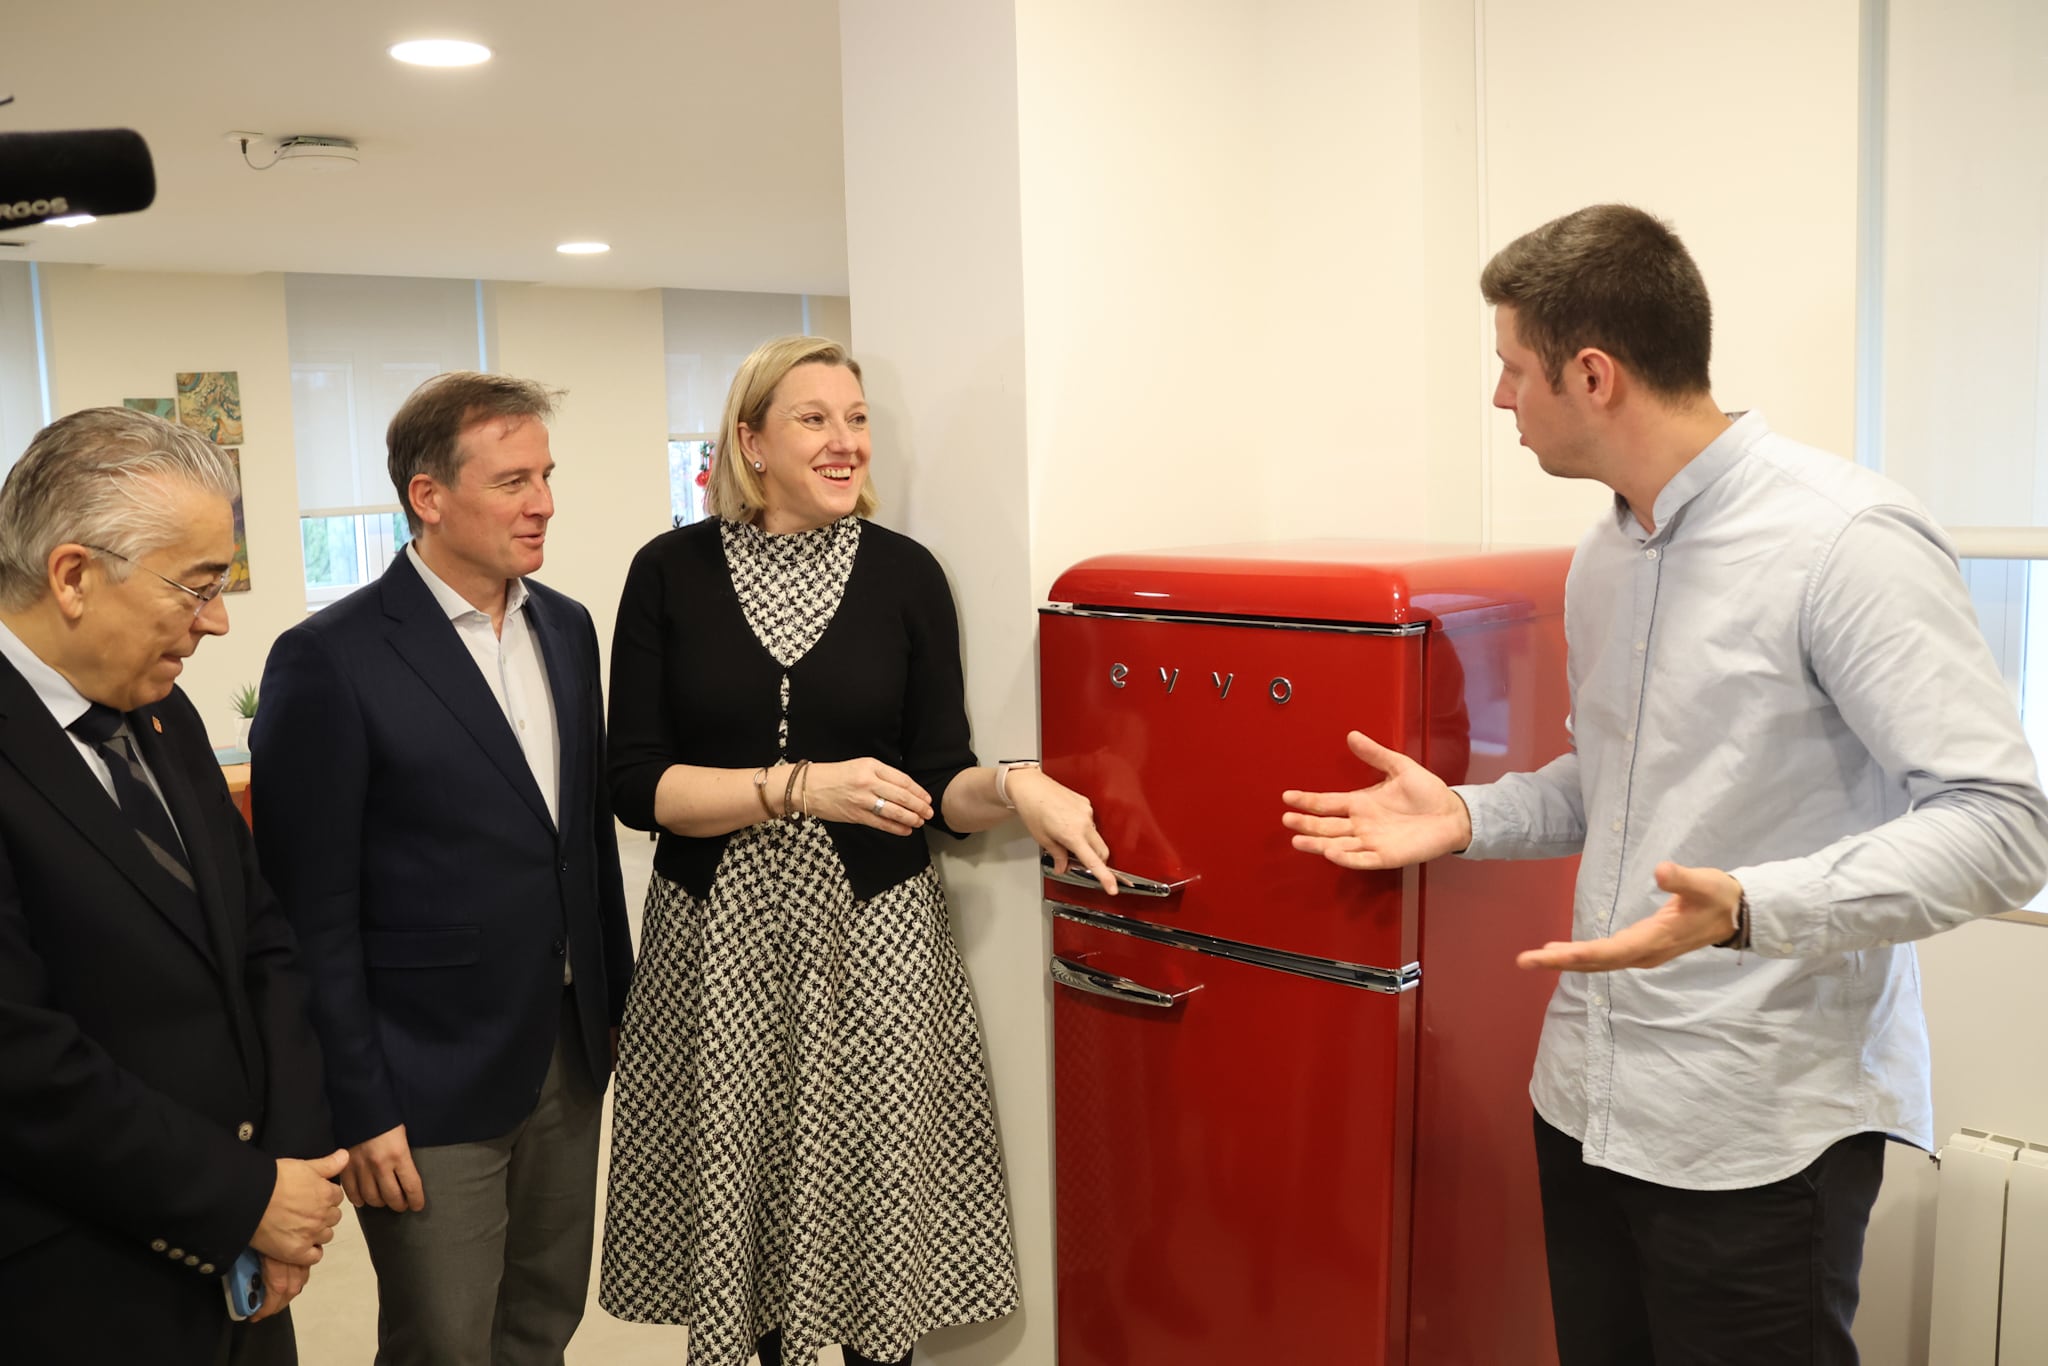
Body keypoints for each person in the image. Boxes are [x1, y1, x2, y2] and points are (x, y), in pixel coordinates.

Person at [1282, 204, 2048, 1366]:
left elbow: (2000, 826)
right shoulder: (1605, 554)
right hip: (1586, 1101)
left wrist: (1748, 906)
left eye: (1510, 369)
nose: (1499, 400)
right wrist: (1469, 814)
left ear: (1592, 375)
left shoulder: (1845, 541)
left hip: (1756, 1131)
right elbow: (1622, 781)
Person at [599, 335, 1113, 1366]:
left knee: (872, 1209)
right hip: (719, 945)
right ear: (750, 441)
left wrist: (1015, 784)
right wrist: (799, 787)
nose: (846, 443)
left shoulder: (905, 575)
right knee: (753, 1234)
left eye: (858, 418)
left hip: (875, 941)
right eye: (815, 419)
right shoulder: (668, 574)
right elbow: (635, 788)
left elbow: (937, 782)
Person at [251, 372, 634, 1366]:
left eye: (545, 475)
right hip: (424, 1074)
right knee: (446, 1341)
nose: (542, 501)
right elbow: (309, 911)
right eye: (512, 480)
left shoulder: (568, 628)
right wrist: (359, 1101)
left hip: (565, 1047)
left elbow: (584, 841)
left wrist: (615, 1010)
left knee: (543, 1321)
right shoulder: (330, 658)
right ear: (428, 495)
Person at [0, 408, 345, 1364]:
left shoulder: (165, 714)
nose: (219, 620)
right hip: (77, 1281)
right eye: (195, 587)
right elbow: (22, 1062)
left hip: (243, 1267)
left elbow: (261, 944)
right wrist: (241, 1196)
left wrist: (289, 1169)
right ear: (73, 576)